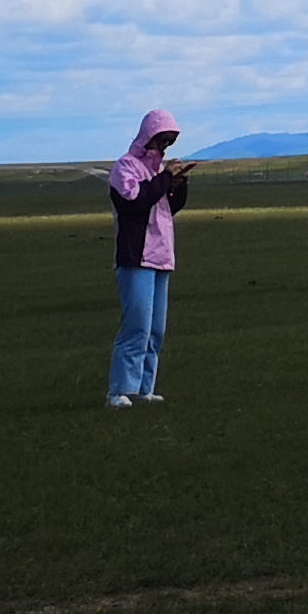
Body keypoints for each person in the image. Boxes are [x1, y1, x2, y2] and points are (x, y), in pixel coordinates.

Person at [107, 109, 190, 408]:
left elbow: (167, 208)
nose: (165, 146)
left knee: (155, 330)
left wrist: (177, 186)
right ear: (149, 136)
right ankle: (119, 390)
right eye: (162, 139)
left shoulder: (158, 172)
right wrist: (165, 180)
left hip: (161, 256)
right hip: (135, 257)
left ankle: (144, 389)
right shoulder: (125, 167)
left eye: (169, 141)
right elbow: (135, 202)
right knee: (136, 327)